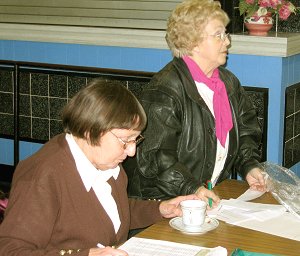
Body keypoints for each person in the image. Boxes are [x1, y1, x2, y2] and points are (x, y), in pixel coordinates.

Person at [0, 79, 214, 256]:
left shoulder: (105, 163)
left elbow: (109, 211)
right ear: (89, 131)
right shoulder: (43, 176)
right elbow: (10, 249)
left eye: (135, 140)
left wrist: (161, 209)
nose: (132, 151)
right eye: (124, 140)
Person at [124, 0, 266, 201]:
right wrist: (193, 188)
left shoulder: (228, 83)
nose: (227, 42)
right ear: (193, 43)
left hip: (200, 199)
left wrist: (249, 166)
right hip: (161, 203)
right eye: (218, 35)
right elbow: (156, 158)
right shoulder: (165, 90)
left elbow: (246, 130)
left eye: (225, 34)